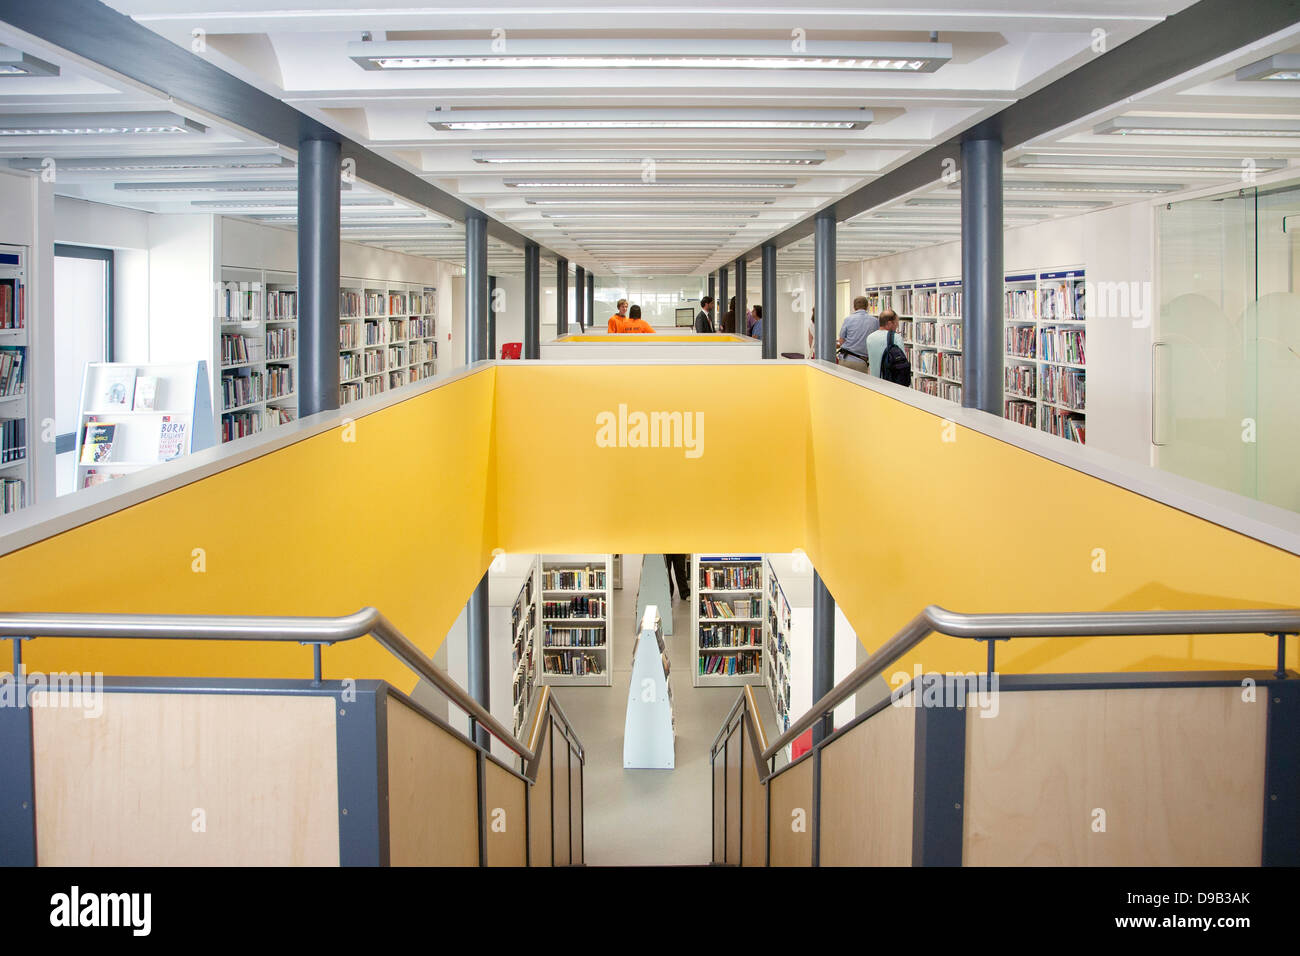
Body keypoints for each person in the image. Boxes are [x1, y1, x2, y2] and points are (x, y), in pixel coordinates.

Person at [866, 309, 909, 384]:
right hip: (890, 381)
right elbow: (903, 362)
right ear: (889, 323)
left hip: (874, 381)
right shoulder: (896, 337)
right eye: (896, 322)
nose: (897, 325)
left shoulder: (870, 337)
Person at [836, 295, 878, 373]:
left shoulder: (848, 319)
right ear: (867, 306)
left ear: (854, 307)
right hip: (861, 362)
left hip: (845, 360)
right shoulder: (875, 321)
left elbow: (841, 341)